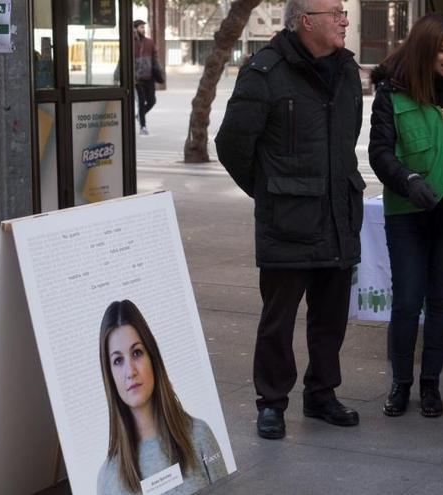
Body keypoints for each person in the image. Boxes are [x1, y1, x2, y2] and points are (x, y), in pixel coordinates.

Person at [215, 0, 364, 440]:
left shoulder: (347, 71)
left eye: (343, 11)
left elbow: (347, 140)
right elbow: (232, 145)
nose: (343, 19)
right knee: (278, 320)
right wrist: (271, 192)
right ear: (305, 22)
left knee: (330, 317)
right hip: (288, 223)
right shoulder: (265, 72)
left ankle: (321, 393)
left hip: (337, 215)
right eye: (334, 12)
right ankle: (272, 402)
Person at [368, 13, 443, 418]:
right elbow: (379, 152)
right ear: (422, 51)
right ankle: (400, 383)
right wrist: (407, 179)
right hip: (408, 212)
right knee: (406, 301)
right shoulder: (392, 92)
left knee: (440, 301)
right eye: (441, 50)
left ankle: (431, 384)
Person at [97, 300, 228, 494]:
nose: (130, 371)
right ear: (109, 375)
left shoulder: (200, 436)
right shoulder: (107, 477)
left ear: (152, 358)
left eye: (137, 353)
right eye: (117, 361)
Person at [133, 20, 161, 136]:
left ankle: (140, 115)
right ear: (134, 29)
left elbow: (155, 59)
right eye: (141, 27)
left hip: (149, 78)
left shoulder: (149, 42)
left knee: (152, 101)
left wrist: (159, 73)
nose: (143, 29)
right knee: (140, 102)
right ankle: (143, 127)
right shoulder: (130, 43)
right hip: (137, 79)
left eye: (144, 27)